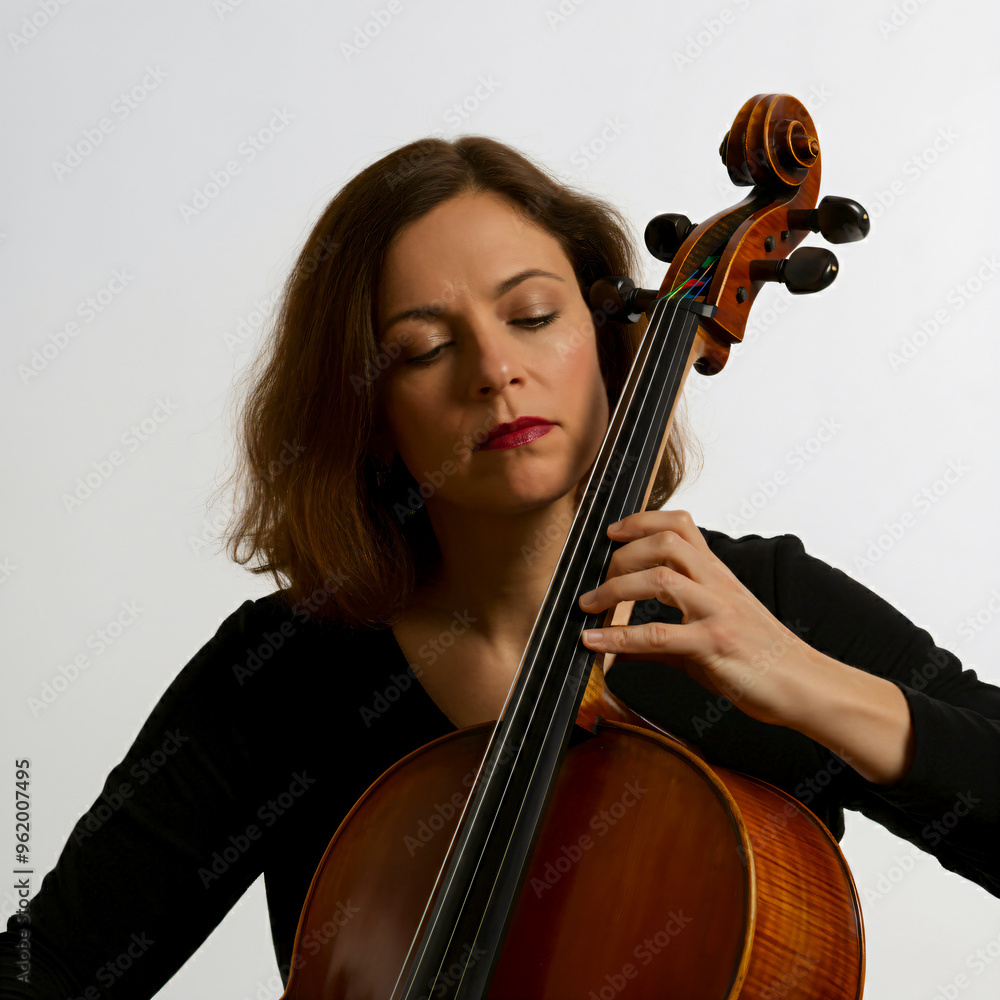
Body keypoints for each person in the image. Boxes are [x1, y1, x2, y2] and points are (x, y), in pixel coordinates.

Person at [2, 136, 998, 998]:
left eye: (530, 316)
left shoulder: (760, 602)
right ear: (369, 415)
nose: (493, 369)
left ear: (610, 344)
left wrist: (805, 681)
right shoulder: (286, 674)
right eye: (424, 347)